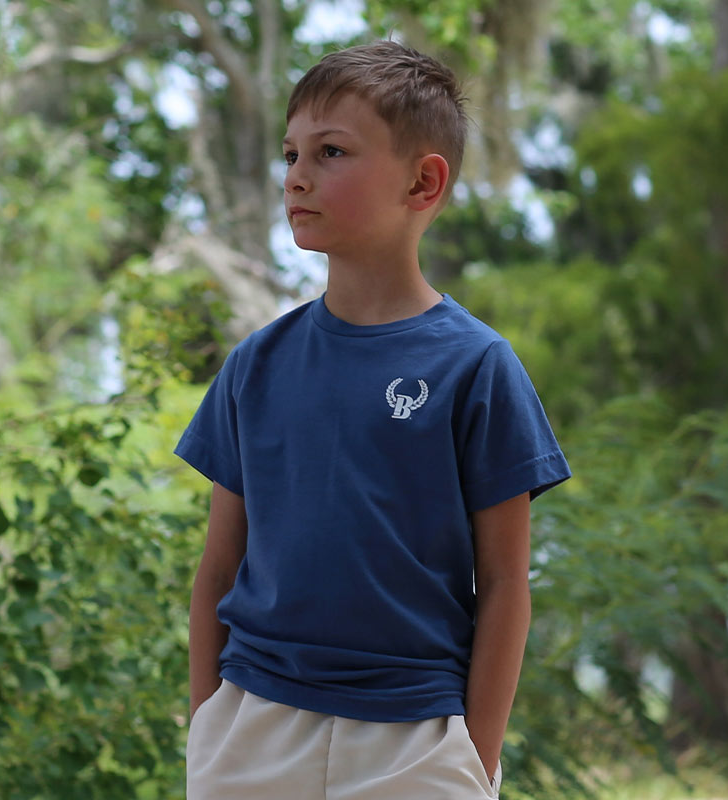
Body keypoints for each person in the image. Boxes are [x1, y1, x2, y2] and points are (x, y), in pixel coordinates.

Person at [174, 40, 571, 800]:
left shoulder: (478, 367)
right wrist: (208, 730)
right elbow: (219, 570)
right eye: (291, 153)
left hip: (414, 742)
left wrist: (474, 758)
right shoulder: (256, 365)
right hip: (251, 731)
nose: (297, 175)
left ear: (423, 182)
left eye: (330, 152)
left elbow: (504, 581)